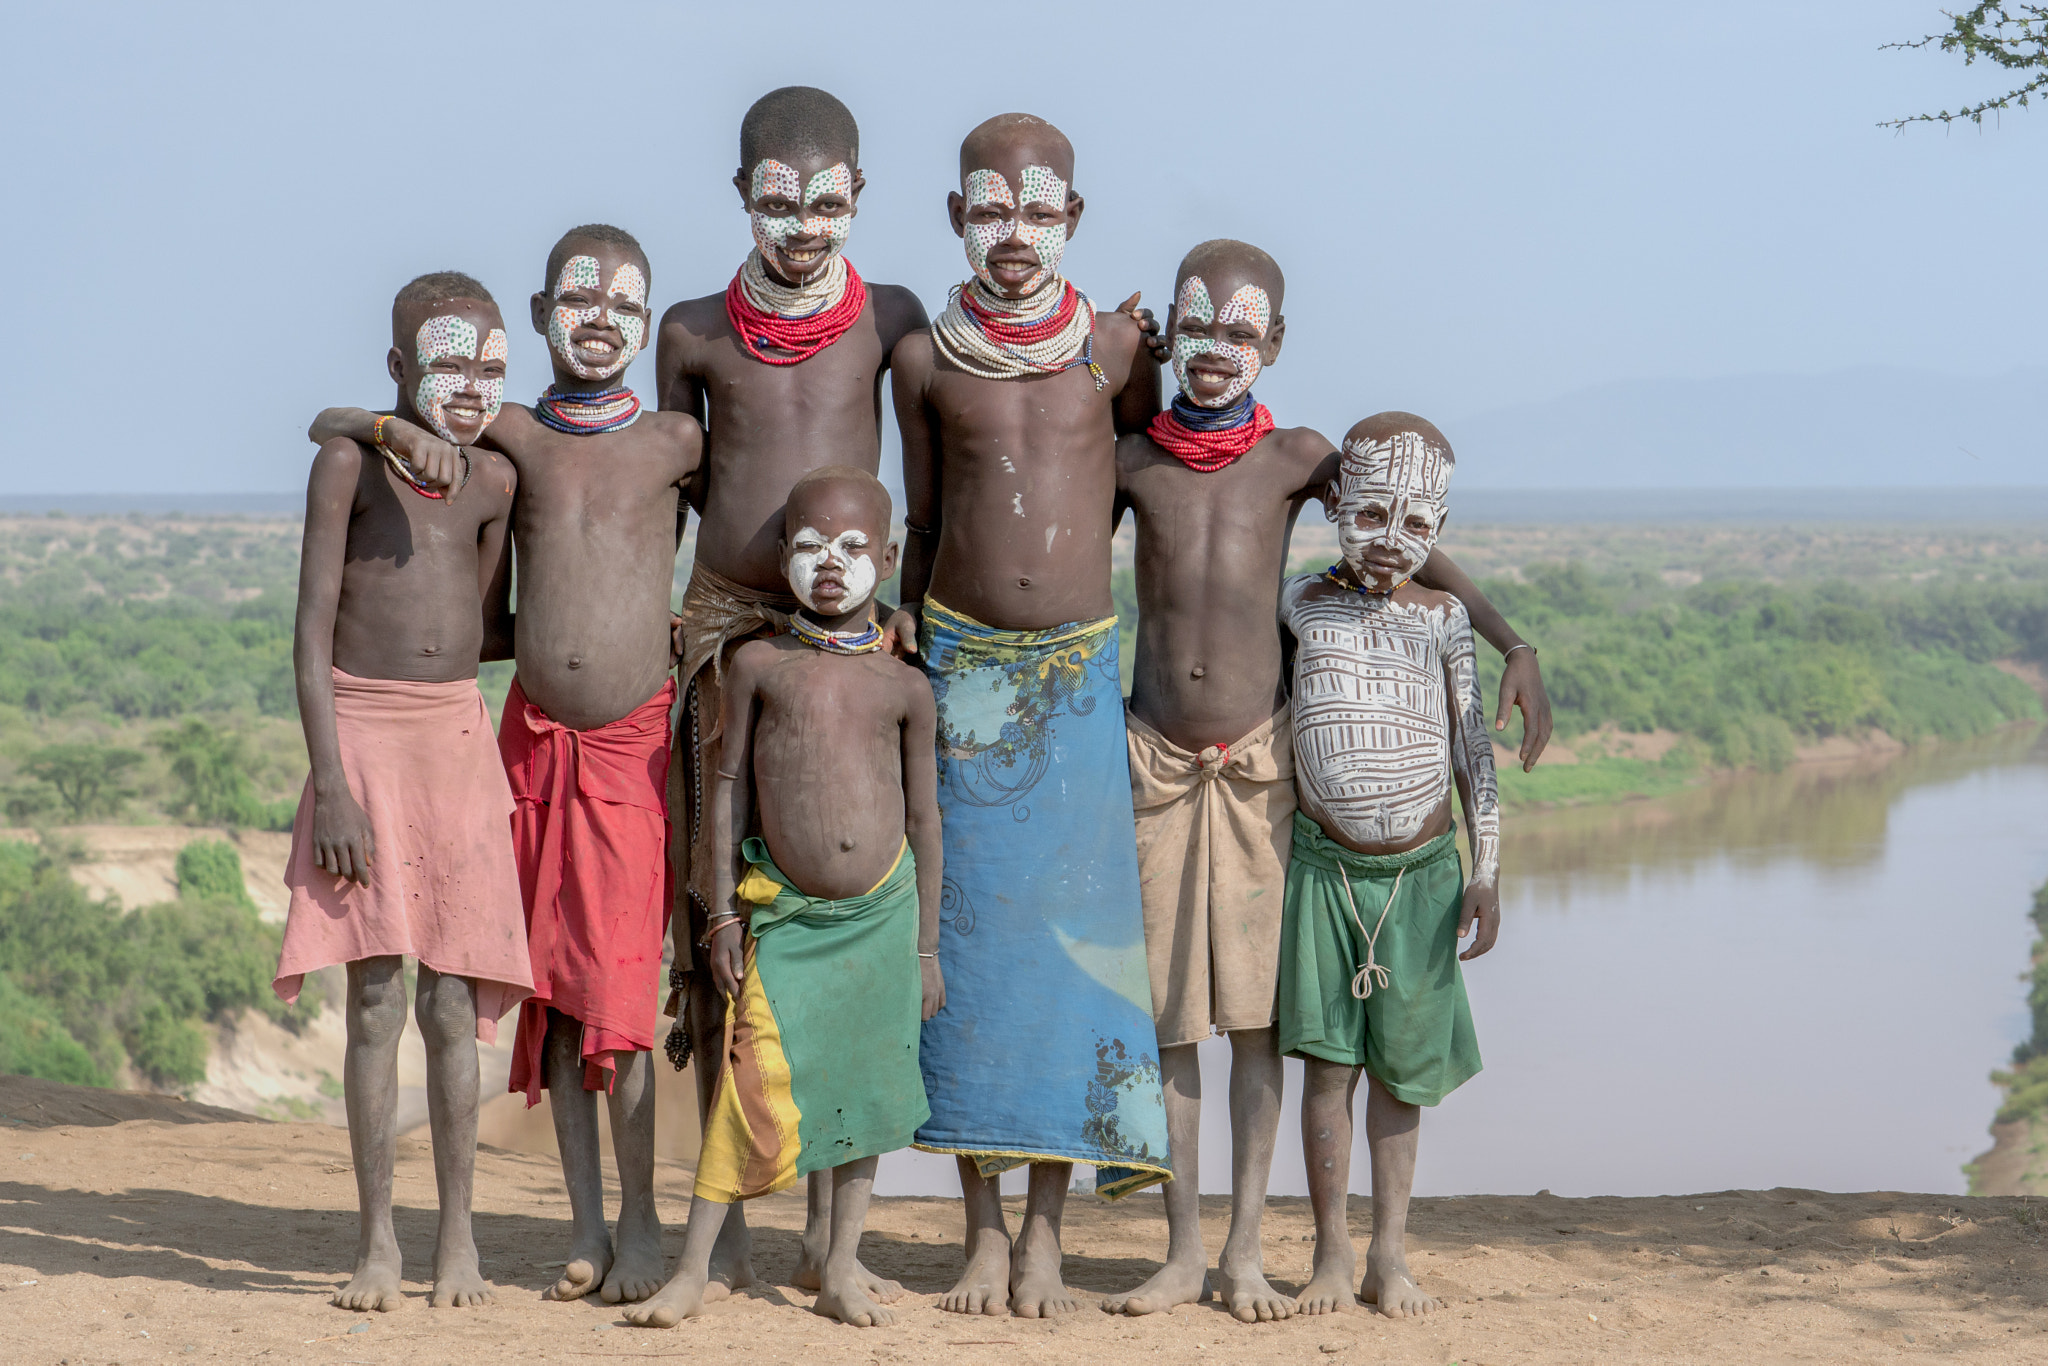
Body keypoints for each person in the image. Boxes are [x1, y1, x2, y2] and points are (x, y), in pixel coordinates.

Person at [1106, 242, 1548, 1322]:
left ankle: (1249, 1248)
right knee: (1169, 1018)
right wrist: (1124, 373)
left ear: (1276, 343)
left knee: (1260, 1023)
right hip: (1152, 757)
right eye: (1195, 329)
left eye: (1241, 333)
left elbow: (1396, 535)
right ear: (1171, 329)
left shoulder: (1298, 457)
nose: (1217, 352)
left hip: (1261, 766)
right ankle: (1178, 1247)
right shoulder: (1129, 460)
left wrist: (1507, 639)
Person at [306, 225, 702, 1305]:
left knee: (619, 990)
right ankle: (582, 1226)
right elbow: (466, 604)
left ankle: (644, 1229)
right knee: (556, 996)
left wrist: (690, 623)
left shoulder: (675, 438)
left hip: (627, 740)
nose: (602, 321)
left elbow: (760, 529)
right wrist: (385, 421)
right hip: (522, 741)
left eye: (627, 304)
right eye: (579, 301)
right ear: (538, 315)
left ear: (652, 318)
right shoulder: (512, 436)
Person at [885, 111, 1173, 1319]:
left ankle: (1049, 1233)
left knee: (1071, 967)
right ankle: (984, 1232)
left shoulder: (1111, 352)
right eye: (990, 209)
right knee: (976, 955)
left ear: (1074, 219)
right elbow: (923, 512)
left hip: (1075, 678)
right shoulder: (925, 361)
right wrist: (900, 622)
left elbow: (1144, 479)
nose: (1014, 232)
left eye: (1038, 210)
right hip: (960, 671)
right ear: (957, 215)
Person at [654, 86, 930, 1301]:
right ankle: (735, 1217)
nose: (804, 224)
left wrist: (901, 600)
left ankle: (835, 1230)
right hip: (724, 627)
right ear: (742, 198)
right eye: (780, 200)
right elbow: (659, 484)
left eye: (826, 200)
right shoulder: (694, 328)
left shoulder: (896, 320)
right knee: (719, 916)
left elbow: (933, 471)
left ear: (859, 193)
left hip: (856, 631)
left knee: (845, 905)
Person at [625, 467, 942, 1329]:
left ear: (886, 556)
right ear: (778, 556)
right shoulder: (759, 665)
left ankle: (839, 1264)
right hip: (788, 918)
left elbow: (927, 818)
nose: (829, 565)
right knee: (747, 1082)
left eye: (850, 549)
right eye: (807, 547)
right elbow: (724, 789)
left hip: (883, 913)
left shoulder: (905, 686)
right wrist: (722, 911)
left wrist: (925, 949)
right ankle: (694, 1269)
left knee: (867, 1091)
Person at [276, 272, 532, 1312]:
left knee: (453, 998)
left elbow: (485, 624)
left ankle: (457, 1240)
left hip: (455, 739)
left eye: (488, 368)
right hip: (363, 743)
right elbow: (307, 633)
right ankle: (377, 1240)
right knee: (376, 997)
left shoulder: (494, 482)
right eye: (445, 365)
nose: (467, 388)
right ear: (397, 370)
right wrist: (330, 784)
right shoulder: (351, 464)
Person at [1276, 412, 1501, 1318]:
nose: (1389, 542)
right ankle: (1330, 1255)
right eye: (1369, 515)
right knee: (1327, 1069)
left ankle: (1390, 1255)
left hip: (1423, 877)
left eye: (1415, 525)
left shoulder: (1443, 618)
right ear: (1335, 505)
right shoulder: (1296, 602)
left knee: (1404, 1074)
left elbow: (1472, 748)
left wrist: (1487, 870)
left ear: (1440, 531)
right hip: (1323, 872)